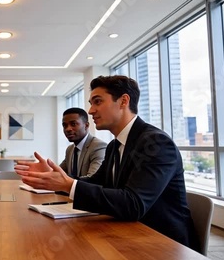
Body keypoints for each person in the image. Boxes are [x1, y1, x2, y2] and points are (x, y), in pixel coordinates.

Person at [15, 75, 199, 251]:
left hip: (162, 242)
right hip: (127, 232)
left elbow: (133, 204)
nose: (90, 110)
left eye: (97, 101)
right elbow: (96, 182)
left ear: (123, 101)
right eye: (91, 103)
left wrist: (68, 184)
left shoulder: (156, 143)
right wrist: (58, 178)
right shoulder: (114, 146)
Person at [59, 107, 106, 178]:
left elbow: (92, 179)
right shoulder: (70, 149)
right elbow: (59, 172)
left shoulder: (98, 146)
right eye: (65, 125)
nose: (68, 129)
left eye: (73, 124)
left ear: (86, 125)